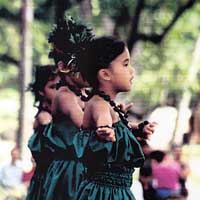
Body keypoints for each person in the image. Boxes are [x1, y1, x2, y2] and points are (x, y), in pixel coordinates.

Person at [65, 36, 156, 199]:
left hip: (114, 192)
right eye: (126, 64)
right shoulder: (99, 104)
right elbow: (103, 123)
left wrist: (137, 129)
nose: (132, 70)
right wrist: (105, 130)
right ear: (105, 74)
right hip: (104, 194)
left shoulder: (109, 105)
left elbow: (116, 130)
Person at [42, 16, 116, 200]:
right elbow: (85, 123)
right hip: (68, 173)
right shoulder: (65, 96)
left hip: (82, 169)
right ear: (63, 67)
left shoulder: (84, 95)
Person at [26, 64, 60, 200]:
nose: (58, 91)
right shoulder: (44, 118)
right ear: (41, 92)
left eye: (60, 86)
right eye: (52, 87)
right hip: (47, 182)